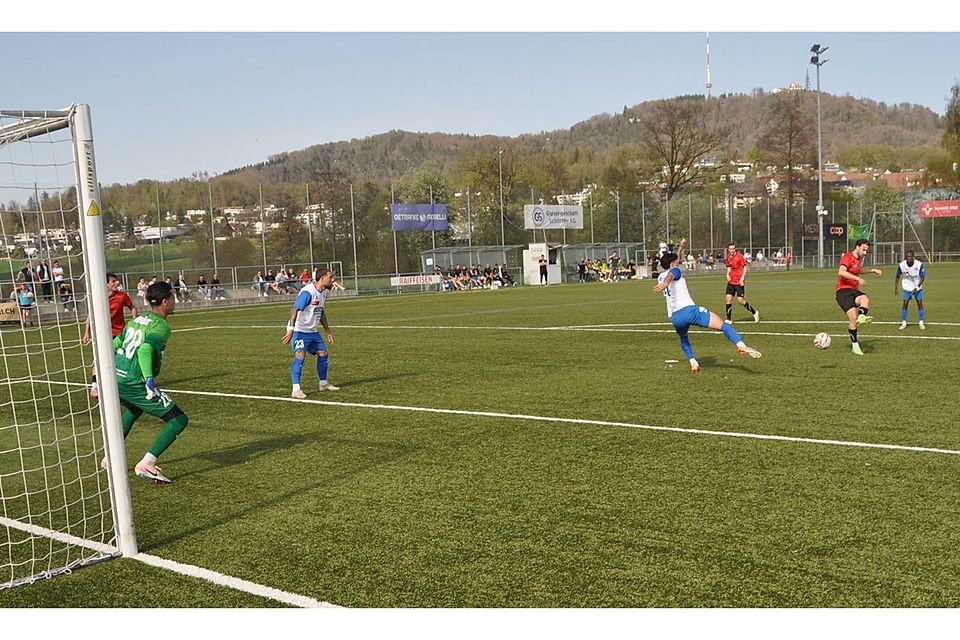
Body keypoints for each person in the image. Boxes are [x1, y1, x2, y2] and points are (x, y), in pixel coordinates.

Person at [109, 281, 187, 484]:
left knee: (135, 409)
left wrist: (101, 376)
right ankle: (147, 463)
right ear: (164, 301)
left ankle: (110, 457)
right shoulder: (160, 327)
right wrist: (149, 381)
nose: (174, 302)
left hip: (117, 378)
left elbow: (115, 344)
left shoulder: (137, 320)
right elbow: (144, 350)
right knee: (179, 420)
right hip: (134, 382)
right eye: (172, 298)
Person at [653, 238, 762, 372]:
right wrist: (667, 282)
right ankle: (741, 344)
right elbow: (673, 272)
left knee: (683, 337)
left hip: (675, 318)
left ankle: (693, 362)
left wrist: (681, 248)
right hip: (689, 311)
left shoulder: (660, 276)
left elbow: (672, 267)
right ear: (671, 264)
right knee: (724, 326)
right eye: (675, 262)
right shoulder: (673, 272)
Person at [282, 268, 339, 398]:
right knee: (300, 355)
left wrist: (328, 331)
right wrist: (291, 330)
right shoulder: (308, 292)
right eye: (330, 277)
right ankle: (296, 390)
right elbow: (295, 309)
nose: (333, 280)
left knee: (323, 353)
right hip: (299, 330)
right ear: (322, 279)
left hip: (312, 331)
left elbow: (321, 312)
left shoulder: (323, 293)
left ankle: (323, 384)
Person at [83, 273, 138, 398]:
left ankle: (123, 383)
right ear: (106, 284)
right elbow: (90, 316)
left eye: (116, 281)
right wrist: (87, 332)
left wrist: (134, 321)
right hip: (102, 334)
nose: (116, 283)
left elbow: (133, 308)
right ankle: (94, 386)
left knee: (122, 359)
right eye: (113, 281)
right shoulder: (98, 298)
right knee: (99, 359)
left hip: (120, 334)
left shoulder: (122, 296)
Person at [836, 239, 882, 356]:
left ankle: (862, 316)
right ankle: (855, 345)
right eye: (863, 249)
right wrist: (858, 279)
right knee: (852, 319)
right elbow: (841, 272)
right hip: (842, 292)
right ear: (857, 247)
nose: (865, 253)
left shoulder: (859, 259)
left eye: (867, 250)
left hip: (853, 291)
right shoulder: (847, 256)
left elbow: (858, 269)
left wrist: (873, 270)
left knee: (864, 298)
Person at [723, 243, 760, 324]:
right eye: (730, 249)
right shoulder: (728, 257)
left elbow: (745, 267)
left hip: (739, 281)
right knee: (728, 298)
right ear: (728, 249)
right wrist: (727, 274)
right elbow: (729, 267)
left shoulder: (740, 256)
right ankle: (729, 319)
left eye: (733, 249)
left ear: (735, 249)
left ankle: (754, 312)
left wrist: (742, 278)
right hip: (731, 281)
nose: (732, 250)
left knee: (740, 300)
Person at [894, 249, 925, 330]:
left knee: (919, 303)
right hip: (906, 287)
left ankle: (921, 322)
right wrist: (896, 288)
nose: (908, 258)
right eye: (907, 257)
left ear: (913, 257)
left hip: (917, 287)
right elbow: (897, 276)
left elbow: (922, 277)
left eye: (910, 257)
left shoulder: (919, 265)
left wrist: (917, 287)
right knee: (905, 304)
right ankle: (904, 322)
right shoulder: (902, 265)